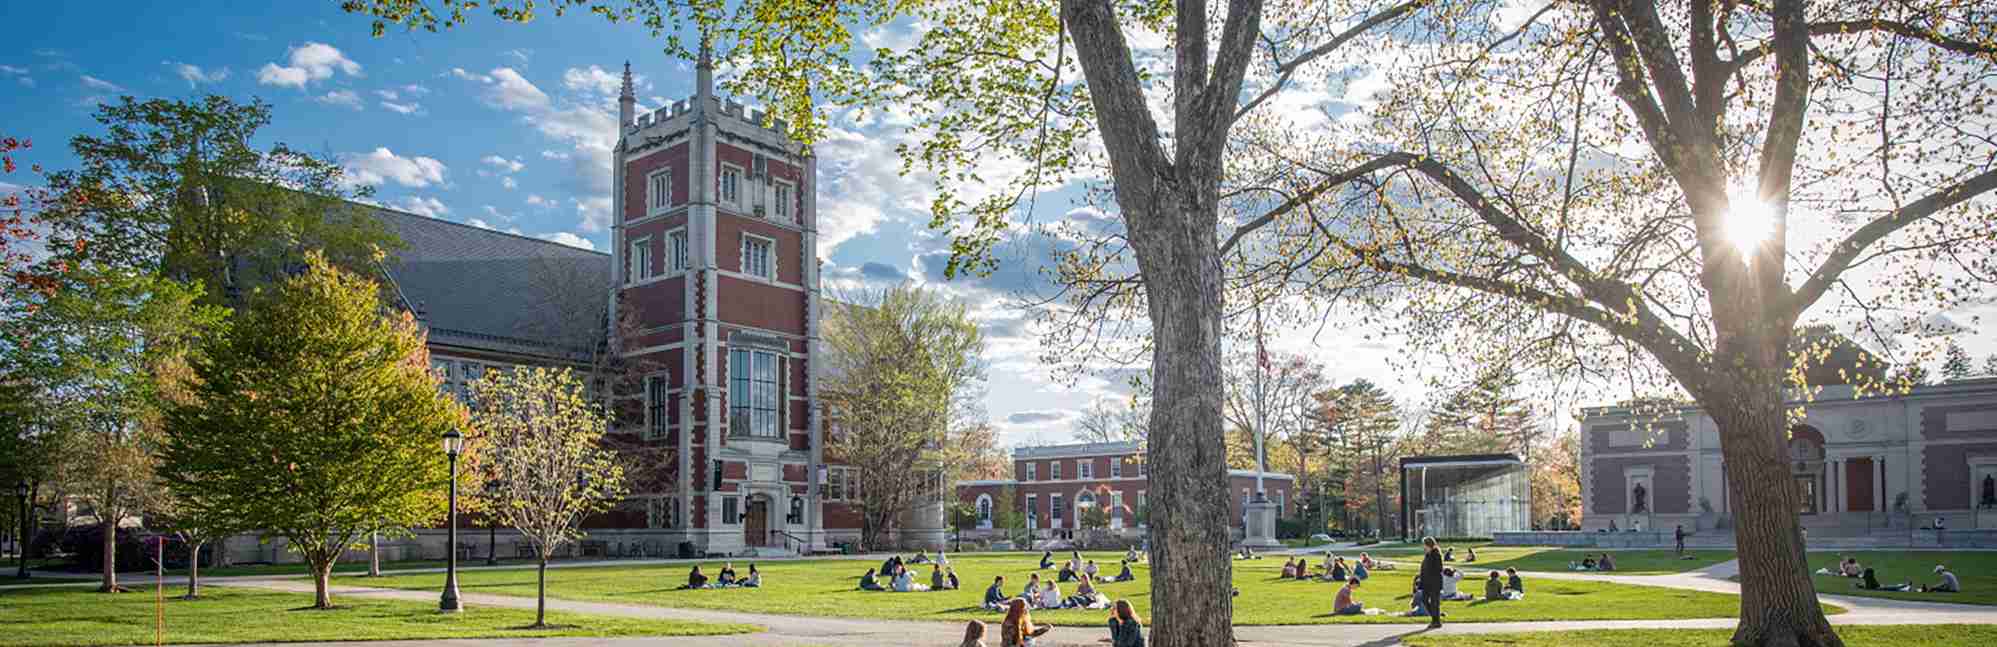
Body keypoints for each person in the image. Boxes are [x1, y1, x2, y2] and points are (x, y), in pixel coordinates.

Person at [1418, 536, 1444, 629]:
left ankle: (1436, 621)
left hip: (1434, 583)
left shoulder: (1436, 554)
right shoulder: (1427, 554)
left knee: (1434, 602)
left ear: (1428, 545)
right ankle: (1435, 618)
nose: (1423, 547)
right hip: (1426, 583)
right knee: (1424, 600)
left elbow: (1439, 569)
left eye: (1424, 545)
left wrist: (1429, 575)